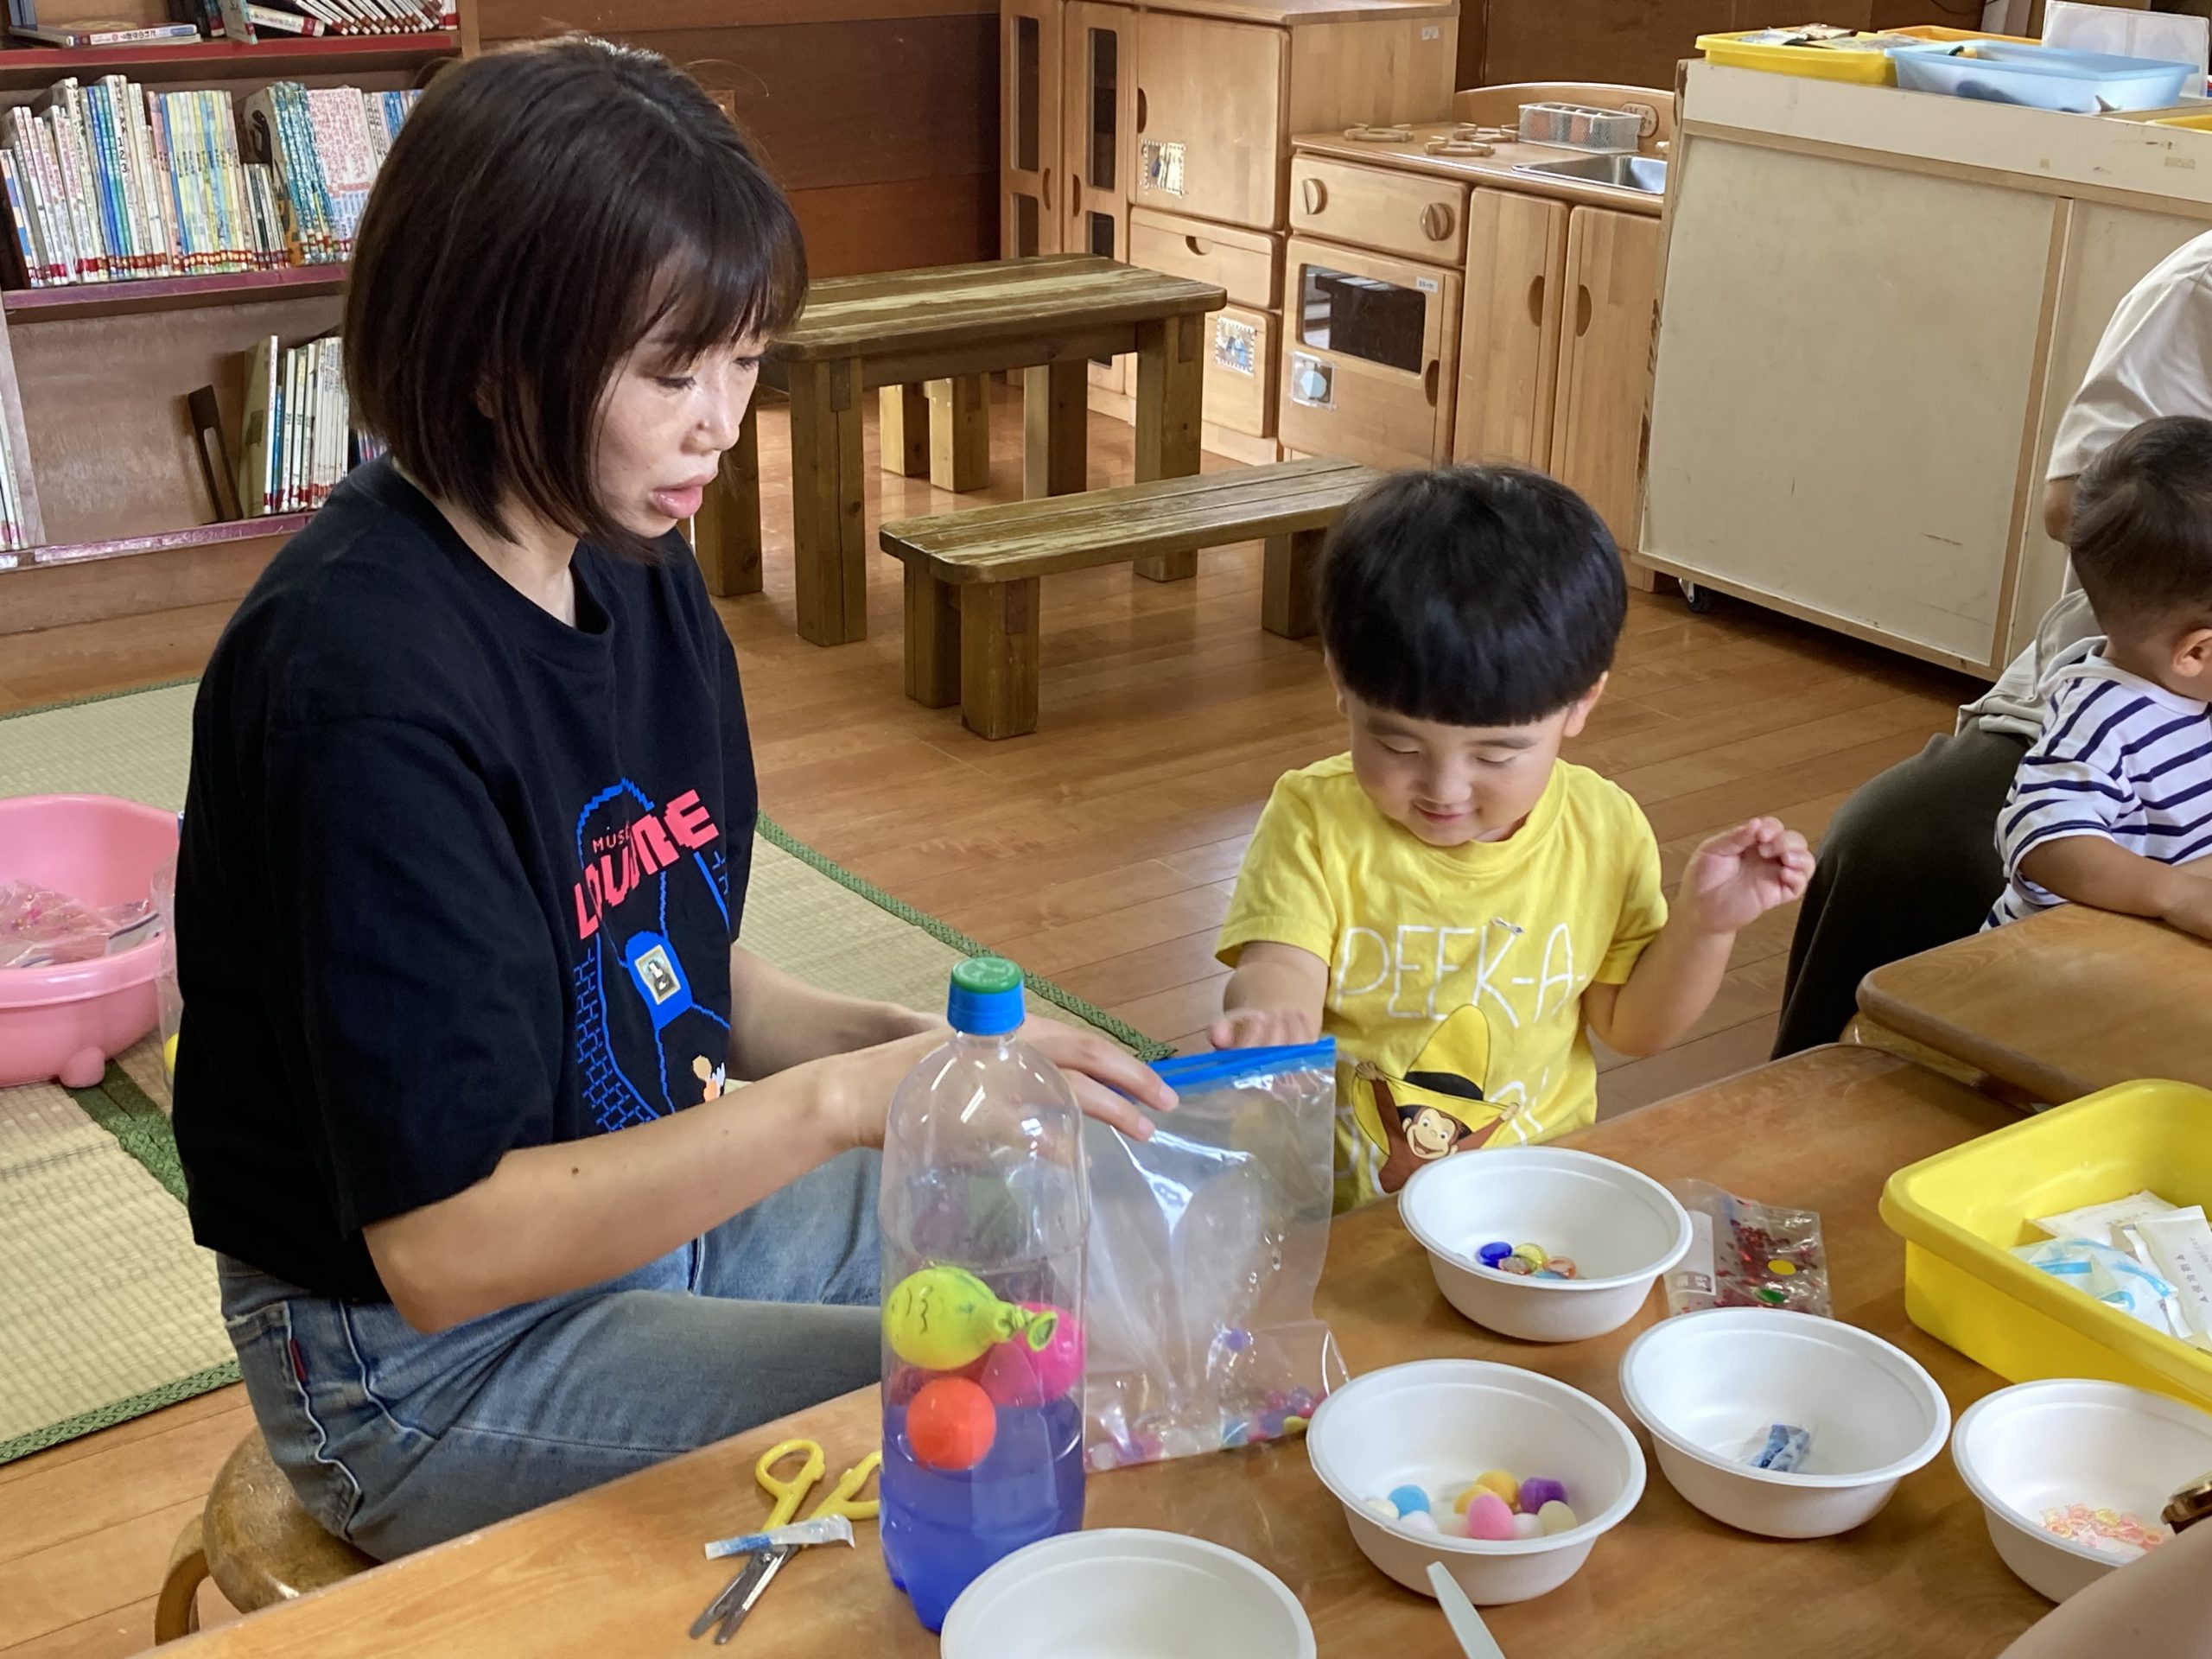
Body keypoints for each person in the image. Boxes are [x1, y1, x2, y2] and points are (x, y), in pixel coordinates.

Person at [170, 38, 1172, 1562]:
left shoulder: (624, 543)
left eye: (747, 357)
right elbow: (442, 1250)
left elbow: (662, 954)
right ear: (495, 359)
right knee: (975, 1386)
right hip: (421, 1365)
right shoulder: (361, 686)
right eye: (670, 371)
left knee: (1052, 1220)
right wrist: (840, 1109)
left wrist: (937, 1063)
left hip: (652, 1200)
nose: (722, 420)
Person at [1205, 467, 1811, 1210]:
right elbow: (1280, 964)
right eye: (1396, 746)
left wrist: (1706, 925)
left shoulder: (1605, 830)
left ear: (1582, 702)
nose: (1445, 789)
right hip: (1346, 1210)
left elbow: (1633, 1027)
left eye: (1496, 755)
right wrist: (1271, 1013)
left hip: (1527, 1200)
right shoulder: (1314, 817)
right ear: (1340, 682)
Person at [1776, 227, 2212, 1054]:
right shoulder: (2197, 292)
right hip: (2145, 652)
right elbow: (2080, 507)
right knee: (1901, 842)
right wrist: (2171, 894)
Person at [1986, 417, 2212, 936]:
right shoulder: (2102, 719)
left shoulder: (2195, 689)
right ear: (2196, 652)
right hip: (2048, 971)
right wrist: (2173, 893)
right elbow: (2042, 841)